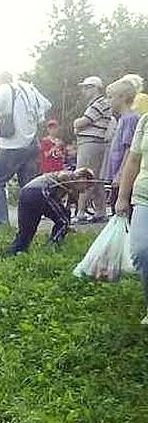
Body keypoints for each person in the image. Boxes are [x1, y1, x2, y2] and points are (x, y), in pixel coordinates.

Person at [0, 72, 52, 226]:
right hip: (32, 143)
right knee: (28, 186)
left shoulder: (4, 90)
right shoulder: (29, 88)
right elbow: (47, 105)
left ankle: (2, 223)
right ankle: (30, 223)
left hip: (13, 145)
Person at [9, 168, 95, 255]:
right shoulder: (68, 177)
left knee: (27, 229)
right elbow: (62, 181)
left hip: (26, 192)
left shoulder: (65, 181)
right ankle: (51, 247)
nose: (85, 191)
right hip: (40, 191)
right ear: (83, 179)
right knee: (63, 222)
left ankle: (15, 251)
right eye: (87, 186)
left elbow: (64, 208)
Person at [115, 113, 148, 323]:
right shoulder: (145, 120)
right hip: (144, 196)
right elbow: (133, 159)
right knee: (141, 251)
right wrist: (122, 197)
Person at [74, 75, 113, 223]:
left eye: (86, 87)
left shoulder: (100, 103)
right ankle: (100, 212)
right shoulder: (96, 104)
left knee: (84, 177)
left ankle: (81, 213)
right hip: (92, 142)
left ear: (94, 88)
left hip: (91, 142)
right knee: (96, 179)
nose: (83, 90)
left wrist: (76, 123)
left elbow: (82, 122)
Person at [106, 77, 140, 211]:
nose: (108, 101)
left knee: (121, 211)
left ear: (122, 97)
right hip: (116, 174)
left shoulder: (130, 119)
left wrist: (120, 174)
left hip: (124, 178)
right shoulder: (121, 119)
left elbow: (129, 149)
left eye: (110, 97)